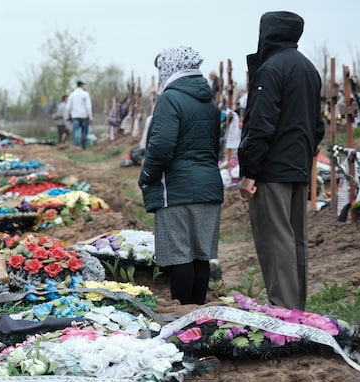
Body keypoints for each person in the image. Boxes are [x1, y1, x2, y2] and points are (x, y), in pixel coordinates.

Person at [238, 11, 324, 310]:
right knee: (295, 239)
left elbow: (261, 124)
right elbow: (317, 125)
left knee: (275, 239)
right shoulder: (308, 68)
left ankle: (284, 310)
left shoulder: (271, 69)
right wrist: (304, 156)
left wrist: (250, 172)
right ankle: (297, 308)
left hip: (271, 169)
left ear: (268, 33)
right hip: (298, 166)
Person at [138, 46, 224, 305]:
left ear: (170, 68)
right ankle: (197, 314)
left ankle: (181, 314)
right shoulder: (209, 101)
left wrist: (147, 175)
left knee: (180, 256)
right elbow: (214, 147)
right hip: (209, 187)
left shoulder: (170, 98)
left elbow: (161, 145)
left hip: (176, 189)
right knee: (200, 255)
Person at [65, 81, 93, 149]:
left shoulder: (72, 94)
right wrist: (90, 117)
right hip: (84, 115)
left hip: (75, 115)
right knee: (84, 132)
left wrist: (67, 116)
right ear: (81, 85)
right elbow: (88, 107)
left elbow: (68, 107)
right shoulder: (86, 94)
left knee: (76, 131)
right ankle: (83, 147)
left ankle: (76, 147)